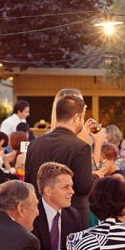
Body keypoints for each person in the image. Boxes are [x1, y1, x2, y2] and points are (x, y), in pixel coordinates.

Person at [24, 94, 104, 227]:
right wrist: (96, 175)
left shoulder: (34, 144)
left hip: (39, 216)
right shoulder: (80, 147)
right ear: (76, 117)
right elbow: (84, 186)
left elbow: (28, 182)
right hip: (72, 217)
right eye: (83, 116)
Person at [32, 162, 82, 250]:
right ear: (48, 191)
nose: (72, 192)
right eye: (66, 187)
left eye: (71, 186)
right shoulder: (31, 215)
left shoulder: (73, 216)